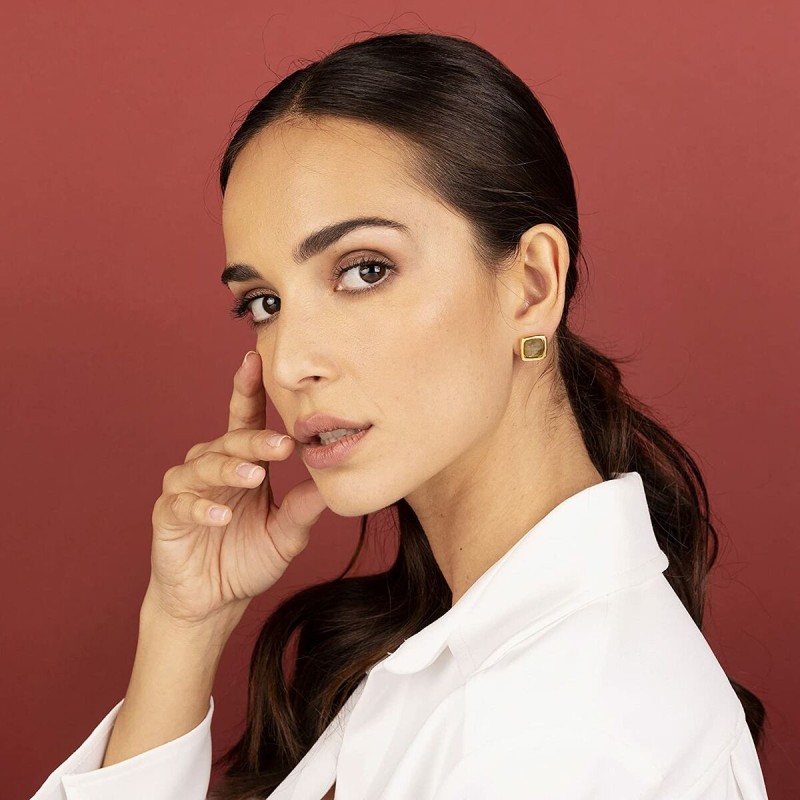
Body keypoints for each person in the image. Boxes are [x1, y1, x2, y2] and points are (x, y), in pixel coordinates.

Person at [31, 30, 768, 800]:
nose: (290, 363)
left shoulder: (571, 738)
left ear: (532, 287)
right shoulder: (462, 650)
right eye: (265, 303)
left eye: (364, 270)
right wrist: (184, 626)